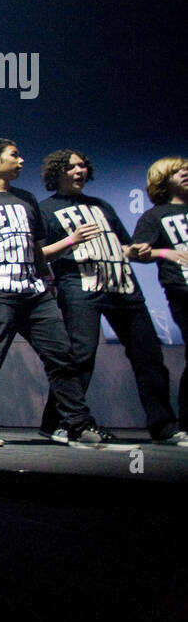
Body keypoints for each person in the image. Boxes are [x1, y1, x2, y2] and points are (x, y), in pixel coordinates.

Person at [0, 138, 112, 447]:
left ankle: (78, 424)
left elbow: (36, 247)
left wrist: (46, 275)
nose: (21, 161)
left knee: (62, 356)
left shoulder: (27, 199)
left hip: (35, 295)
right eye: (14, 156)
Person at [36, 149, 183, 445]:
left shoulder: (101, 206)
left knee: (149, 357)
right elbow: (38, 255)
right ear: (57, 173)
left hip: (123, 287)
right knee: (80, 357)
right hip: (80, 287)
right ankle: (58, 423)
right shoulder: (46, 209)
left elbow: (127, 246)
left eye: (83, 166)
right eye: (72, 167)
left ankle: (164, 427)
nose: (80, 171)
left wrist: (137, 251)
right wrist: (71, 240)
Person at [131, 156, 188, 439]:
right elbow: (135, 251)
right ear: (162, 180)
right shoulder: (155, 216)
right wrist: (165, 253)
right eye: (178, 171)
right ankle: (177, 424)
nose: (185, 173)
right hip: (183, 291)